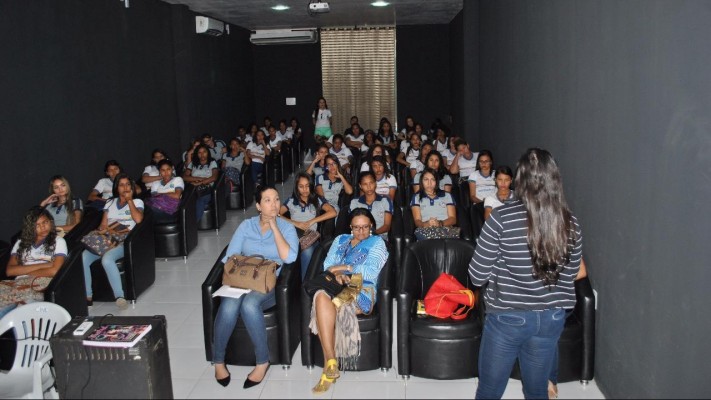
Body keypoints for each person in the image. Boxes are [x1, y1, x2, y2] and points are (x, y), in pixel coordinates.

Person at [468, 148, 584, 399]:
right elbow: (573, 272)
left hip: (509, 318)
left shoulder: (501, 218)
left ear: (519, 180)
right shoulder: (570, 222)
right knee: (536, 390)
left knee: (489, 391)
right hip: (552, 319)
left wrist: (501, 264)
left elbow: (477, 275)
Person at [212, 186, 298, 388]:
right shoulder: (246, 226)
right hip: (243, 279)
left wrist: (275, 227)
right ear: (258, 206)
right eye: (267, 200)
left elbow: (290, 257)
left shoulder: (287, 228)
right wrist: (244, 273)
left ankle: (262, 361)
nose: (274, 204)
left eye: (276, 199)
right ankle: (218, 361)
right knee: (229, 305)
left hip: (269, 283)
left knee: (249, 305)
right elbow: (231, 255)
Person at [308, 208, 389, 393]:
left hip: (361, 289)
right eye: (356, 227)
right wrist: (337, 274)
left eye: (365, 227)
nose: (361, 232)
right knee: (320, 295)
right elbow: (327, 266)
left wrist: (345, 269)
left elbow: (371, 271)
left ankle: (327, 371)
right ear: (350, 227)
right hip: (335, 285)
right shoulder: (340, 240)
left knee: (327, 306)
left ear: (372, 226)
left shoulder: (377, 243)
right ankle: (331, 363)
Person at [82, 173, 144, 310]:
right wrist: (105, 229)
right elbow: (102, 225)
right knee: (84, 257)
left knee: (107, 259)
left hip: (125, 241)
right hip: (108, 239)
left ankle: (119, 296)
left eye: (128, 184)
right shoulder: (110, 202)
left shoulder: (137, 202)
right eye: (121, 185)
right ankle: (88, 295)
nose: (125, 187)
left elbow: (138, 220)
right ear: (117, 187)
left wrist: (129, 201)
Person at [280, 173, 337, 279]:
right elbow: (276, 215)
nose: (305, 189)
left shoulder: (317, 200)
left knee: (308, 252)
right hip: (293, 236)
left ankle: (304, 284)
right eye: (301, 186)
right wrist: (295, 223)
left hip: (310, 238)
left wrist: (312, 221)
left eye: (307, 186)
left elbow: (333, 212)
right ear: (296, 188)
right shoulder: (291, 201)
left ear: (311, 186)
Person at [6, 207, 67, 278]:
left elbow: (55, 271)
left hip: (44, 282)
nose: (43, 227)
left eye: (45, 222)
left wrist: (23, 272)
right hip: (19, 283)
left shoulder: (58, 241)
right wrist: (45, 265)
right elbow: (9, 271)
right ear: (30, 228)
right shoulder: (21, 242)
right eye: (37, 225)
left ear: (50, 221)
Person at [349, 172, 393, 239]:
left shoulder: (385, 200)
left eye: (371, 183)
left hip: (379, 236)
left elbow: (387, 226)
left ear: (375, 183)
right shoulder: (354, 202)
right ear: (360, 186)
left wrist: (372, 234)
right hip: (359, 237)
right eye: (365, 184)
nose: (369, 187)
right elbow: (352, 224)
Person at [183, 144, 219, 222]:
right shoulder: (193, 163)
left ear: (208, 153)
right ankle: (184, 222)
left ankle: (193, 223)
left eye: (204, 152)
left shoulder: (212, 162)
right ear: (197, 154)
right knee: (186, 199)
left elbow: (214, 177)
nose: (202, 154)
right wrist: (199, 179)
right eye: (199, 152)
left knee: (200, 200)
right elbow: (185, 177)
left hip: (207, 189)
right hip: (193, 188)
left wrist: (199, 183)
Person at [147, 159, 184, 224]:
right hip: (157, 209)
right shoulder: (155, 183)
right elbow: (154, 199)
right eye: (163, 170)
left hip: (172, 211)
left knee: (148, 212)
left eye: (168, 169)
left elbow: (176, 196)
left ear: (172, 169)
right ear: (159, 171)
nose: (166, 173)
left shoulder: (177, 179)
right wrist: (170, 193)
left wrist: (160, 193)